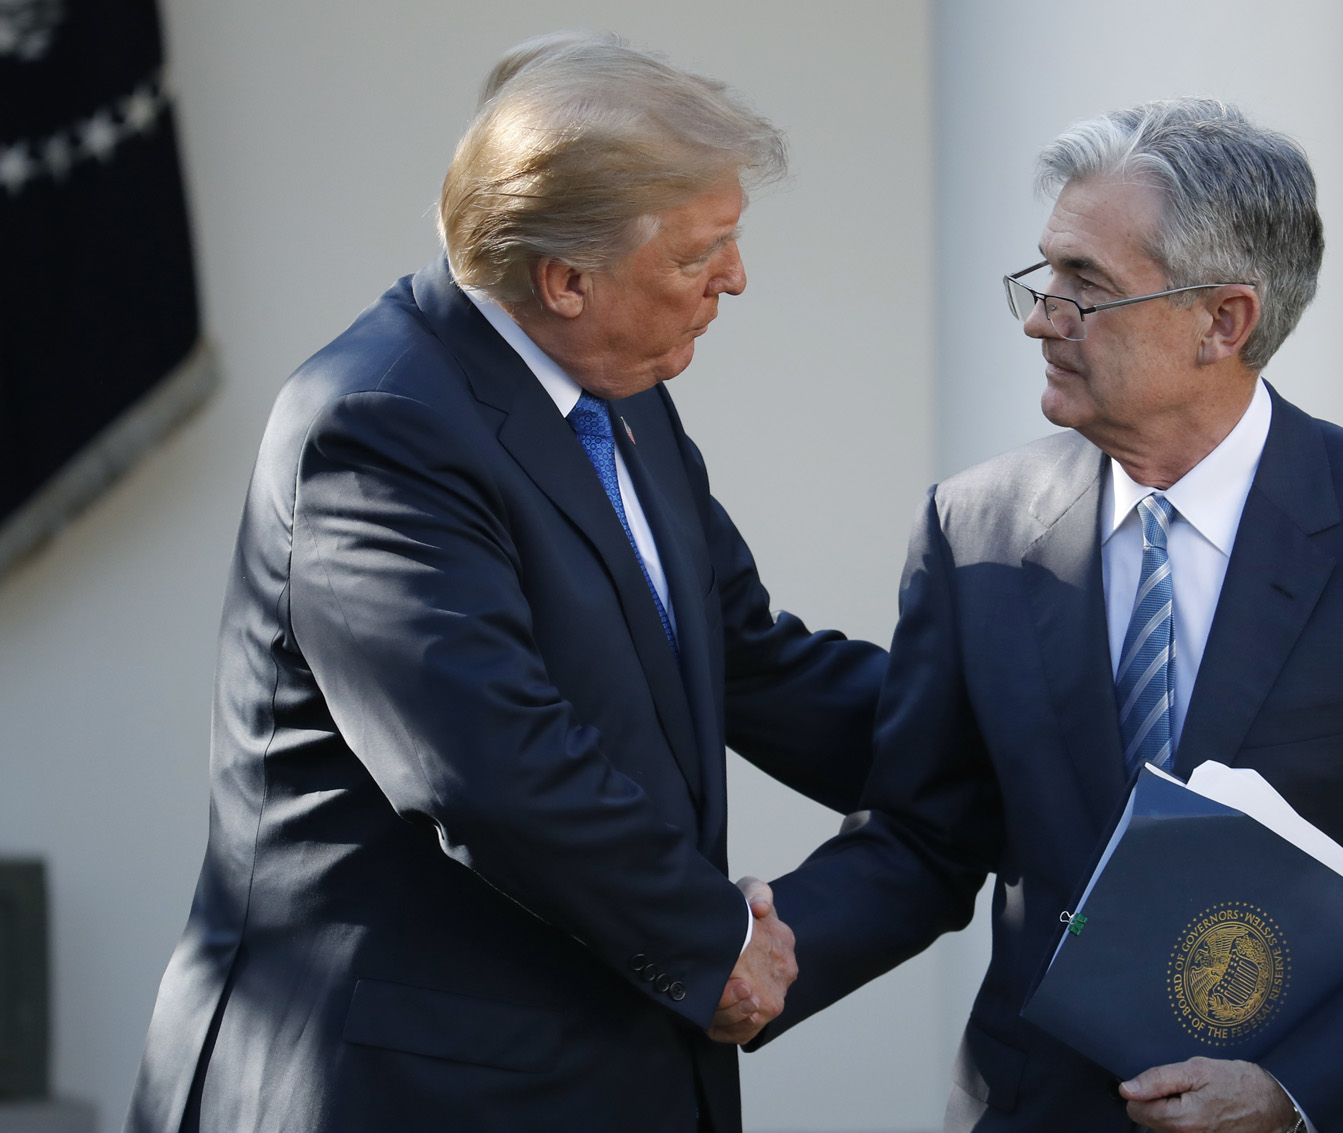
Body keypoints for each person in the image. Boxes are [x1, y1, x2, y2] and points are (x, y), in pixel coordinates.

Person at [747, 100, 1343, 1132]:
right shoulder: (975, 529)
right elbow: (925, 835)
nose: (1041, 316)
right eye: (1046, 273)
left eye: (1085, 285)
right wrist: (750, 954)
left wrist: (1292, 1088)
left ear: (1223, 321)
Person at [124, 33, 884, 1133]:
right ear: (566, 280)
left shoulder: (619, 395)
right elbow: (491, 764)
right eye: (701, 251)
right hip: (402, 1089)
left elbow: (748, 658)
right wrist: (713, 937)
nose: (734, 277)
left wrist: (1006, 741)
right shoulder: (378, 423)